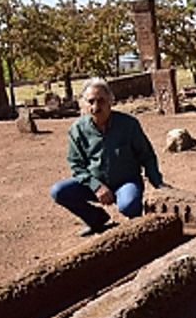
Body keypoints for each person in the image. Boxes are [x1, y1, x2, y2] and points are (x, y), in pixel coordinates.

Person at [50, 77, 165, 236]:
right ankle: (96, 219)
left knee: (129, 205)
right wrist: (96, 186)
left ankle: (138, 227)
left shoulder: (129, 125)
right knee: (59, 191)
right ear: (83, 103)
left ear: (111, 101)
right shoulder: (77, 130)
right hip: (93, 184)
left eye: (101, 101)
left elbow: (146, 155)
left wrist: (158, 183)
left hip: (125, 182)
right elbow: (76, 165)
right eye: (91, 101)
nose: (96, 107)